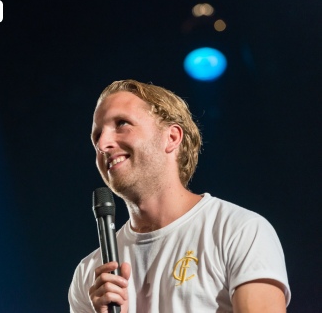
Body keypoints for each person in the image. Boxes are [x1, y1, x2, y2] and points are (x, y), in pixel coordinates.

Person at [68, 80, 290, 312]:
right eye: (97, 137)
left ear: (172, 137)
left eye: (122, 124)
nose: (103, 144)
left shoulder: (238, 231)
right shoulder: (90, 273)